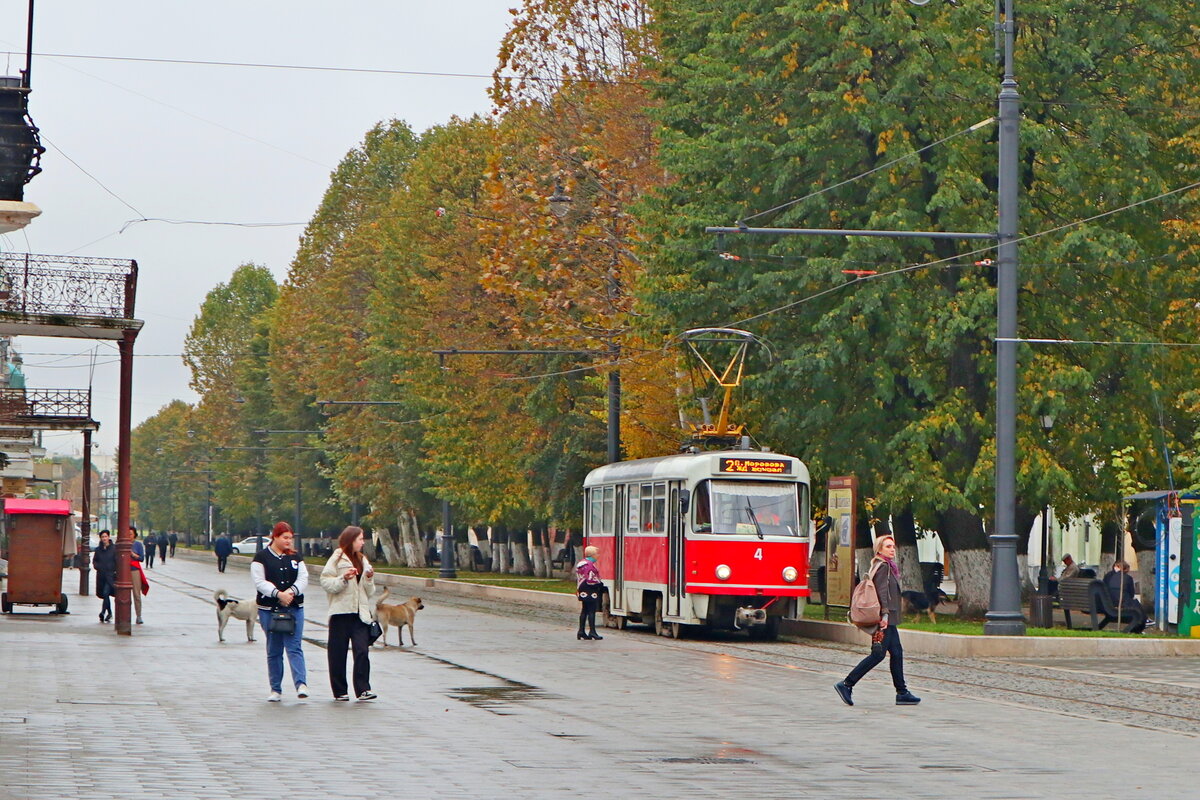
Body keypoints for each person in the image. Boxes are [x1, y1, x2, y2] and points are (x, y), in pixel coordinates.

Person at [835, 535, 920, 707]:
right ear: (879, 549)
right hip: (885, 619)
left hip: (889, 619)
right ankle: (846, 684)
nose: (892, 549)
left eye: (893, 546)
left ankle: (902, 692)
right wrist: (885, 616)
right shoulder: (883, 568)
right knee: (878, 655)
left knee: (896, 653)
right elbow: (882, 592)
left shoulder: (883, 566)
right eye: (888, 546)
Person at [251, 521, 308, 702]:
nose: (288, 542)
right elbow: (259, 582)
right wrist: (277, 594)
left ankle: (301, 684)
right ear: (275, 537)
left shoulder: (295, 558)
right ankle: (276, 689)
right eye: (285, 538)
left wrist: (291, 592)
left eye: (290, 538)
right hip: (270, 610)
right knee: (274, 649)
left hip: (294, 608)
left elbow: (303, 578)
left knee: (294, 646)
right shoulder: (261, 557)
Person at [320, 525, 378, 701]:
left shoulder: (362, 559)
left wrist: (368, 578)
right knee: (338, 652)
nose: (362, 542)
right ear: (351, 540)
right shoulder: (337, 558)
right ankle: (340, 691)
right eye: (360, 539)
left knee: (362, 651)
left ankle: (363, 689)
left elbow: (370, 591)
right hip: (341, 612)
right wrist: (343, 579)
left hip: (360, 613)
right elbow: (325, 581)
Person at [1102, 560, 1147, 633]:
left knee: (1136, 605)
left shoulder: (1108, 576)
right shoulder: (1127, 578)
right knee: (1137, 605)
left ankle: (1143, 621)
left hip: (1107, 603)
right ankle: (1142, 623)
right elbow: (1131, 594)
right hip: (1121, 604)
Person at [575, 545, 604, 641]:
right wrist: (600, 584)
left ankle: (581, 631)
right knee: (591, 611)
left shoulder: (581, 564)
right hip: (590, 590)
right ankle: (592, 631)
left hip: (582, 589)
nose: (598, 556)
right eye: (597, 554)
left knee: (584, 610)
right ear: (592, 555)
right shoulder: (589, 566)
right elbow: (591, 579)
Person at [92, 530, 116, 623]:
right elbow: (95, 561)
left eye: (106, 536)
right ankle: (109, 612)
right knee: (104, 595)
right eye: (102, 537)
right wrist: (97, 566)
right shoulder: (98, 550)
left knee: (106, 593)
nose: (104, 538)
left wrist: (114, 570)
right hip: (101, 575)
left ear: (109, 537)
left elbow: (117, 561)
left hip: (110, 576)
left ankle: (103, 612)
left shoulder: (114, 549)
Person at [130, 528, 146, 624]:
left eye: (131, 534)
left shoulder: (138, 545)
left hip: (134, 570)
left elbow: (141, 558)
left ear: (134, 535)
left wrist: (133, 554)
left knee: (136, 594)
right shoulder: (123, 543)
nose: (129, 536)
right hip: (124, 570)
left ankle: (138, 615)